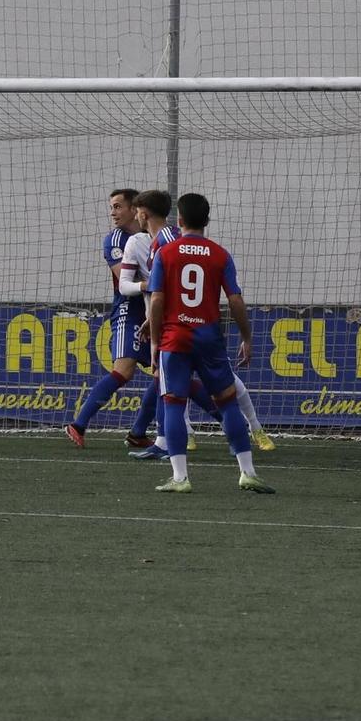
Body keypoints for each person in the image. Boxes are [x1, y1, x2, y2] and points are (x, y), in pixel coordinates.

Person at [145, 193, 273, 495]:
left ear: (180, 221)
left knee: (173, 404)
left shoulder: (166, 252)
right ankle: (248, 472)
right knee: (228, 403)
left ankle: (180, 477)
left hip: (175, 338)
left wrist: (154, 342)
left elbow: (158, 299)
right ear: (207, 221)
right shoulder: (220, 254)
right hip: (209, 337)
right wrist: (246, 337)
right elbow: (236, 300)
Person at [67, 189, 144, 447]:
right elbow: (125, 276)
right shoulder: (115, 240)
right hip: (129, 310)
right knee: (123, 370)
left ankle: (140, 432)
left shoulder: (149, 236)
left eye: (118, 207)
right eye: (111, 207)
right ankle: (78, 425)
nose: (112, 213)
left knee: (165, 374)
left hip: (154, 310)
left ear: (135, 209)